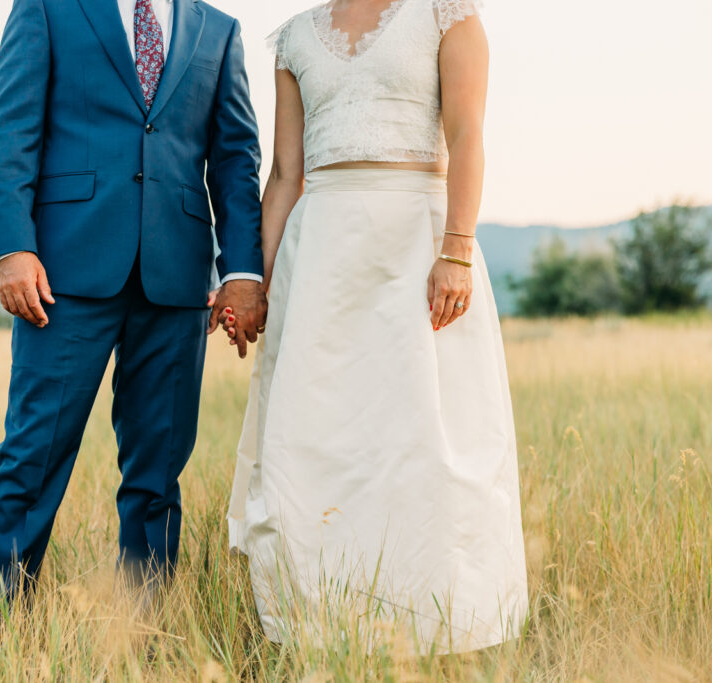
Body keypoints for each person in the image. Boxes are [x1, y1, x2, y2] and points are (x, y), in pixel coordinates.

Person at [226, 0, 529, 652]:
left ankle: (446, 628)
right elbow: (284, 174)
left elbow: (468, 133)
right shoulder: (294, 39)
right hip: (322, 258)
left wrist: (455, 247)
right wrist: (256, 280)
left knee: (423, 438)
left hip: (417, 243)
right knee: (314, 439)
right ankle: (317, 628)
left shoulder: (447, 14)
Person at [0, 0, 268, 611]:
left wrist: (241, 271)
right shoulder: (47, 10)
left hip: (177, 284)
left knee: (157, 477)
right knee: (30, 461)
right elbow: (9, 132)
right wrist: (11, 249)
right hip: (62, 277)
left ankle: (139, 638)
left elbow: (236, 161)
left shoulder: (219, 30)